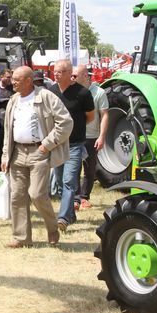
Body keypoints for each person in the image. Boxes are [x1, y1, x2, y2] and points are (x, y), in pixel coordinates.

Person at [1, 66, 72, 248]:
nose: (13, 82)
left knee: (37, 194)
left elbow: (65, 122)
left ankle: (52, 228)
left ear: (28, 81)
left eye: (17, 79)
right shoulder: (13, 100)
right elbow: (8, 131)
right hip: (17, 153)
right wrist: (5, 155)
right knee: (17, 196)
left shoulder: (46, 97)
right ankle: (21, 238)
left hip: (39, 152)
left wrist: (46, 145)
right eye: (13, 79)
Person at [49, 59, 95, 232]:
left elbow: (90, 116)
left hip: (75, 144)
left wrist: (77, 128)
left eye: (60, 71)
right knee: (61, 182)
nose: (56, 74)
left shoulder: (82, 93)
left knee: (69, 181)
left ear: (69, 73)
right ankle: (71, 215)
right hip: (57, 144)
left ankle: (62, 219)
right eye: (54, 71)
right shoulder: (51, 91)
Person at [75, 64, 108, 209]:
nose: (72, 78)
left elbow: (105, 115)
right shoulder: (71, 91)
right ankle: (75, 198)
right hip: (75, 136)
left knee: (89, 168)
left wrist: (101, 136)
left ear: (86, 76)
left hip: (91, 136)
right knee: (73, 168)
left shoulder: (99, 93)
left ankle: (84, 197)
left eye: (75, 75)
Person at [0, 68, 14, 173]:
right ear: (1, 76)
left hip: (7, 123)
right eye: (8, 77)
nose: (10, 79)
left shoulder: (12, 89)